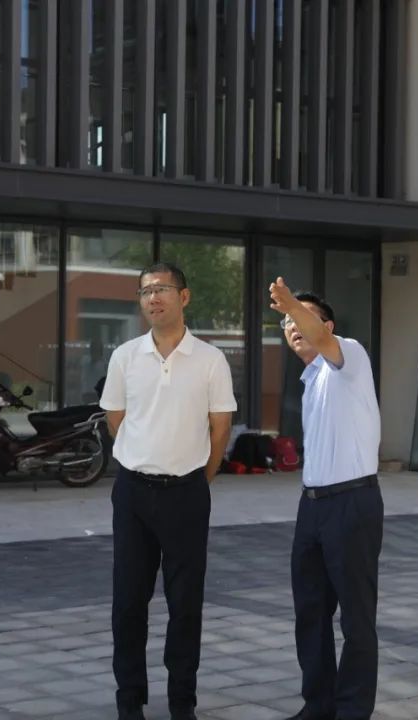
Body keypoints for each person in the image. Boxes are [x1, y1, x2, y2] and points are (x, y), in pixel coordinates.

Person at [100, 262, 237, 720]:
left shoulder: (210, 359)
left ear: (185, 296)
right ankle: (129, 700)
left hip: (187, 494)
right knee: (127, 602)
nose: (153, 298)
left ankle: (182, 702)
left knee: (185, 604)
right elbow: (116, 419)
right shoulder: (125, 356)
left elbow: (221, 428)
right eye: (145, 292)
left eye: (162, 289)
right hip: (133, 493)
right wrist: (143, 455)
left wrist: (199, 478)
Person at [268, 278, 383, 720]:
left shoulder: (349, 356)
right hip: (312, 506)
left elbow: (321, 337)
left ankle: (352, 710)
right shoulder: (309, 378)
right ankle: (318, 706)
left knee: (356, 617)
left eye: (301, 318)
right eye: (286, 323)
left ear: (327, 326)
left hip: (352, 503)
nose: (293, 326)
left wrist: (291, 304)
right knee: (310, 613)